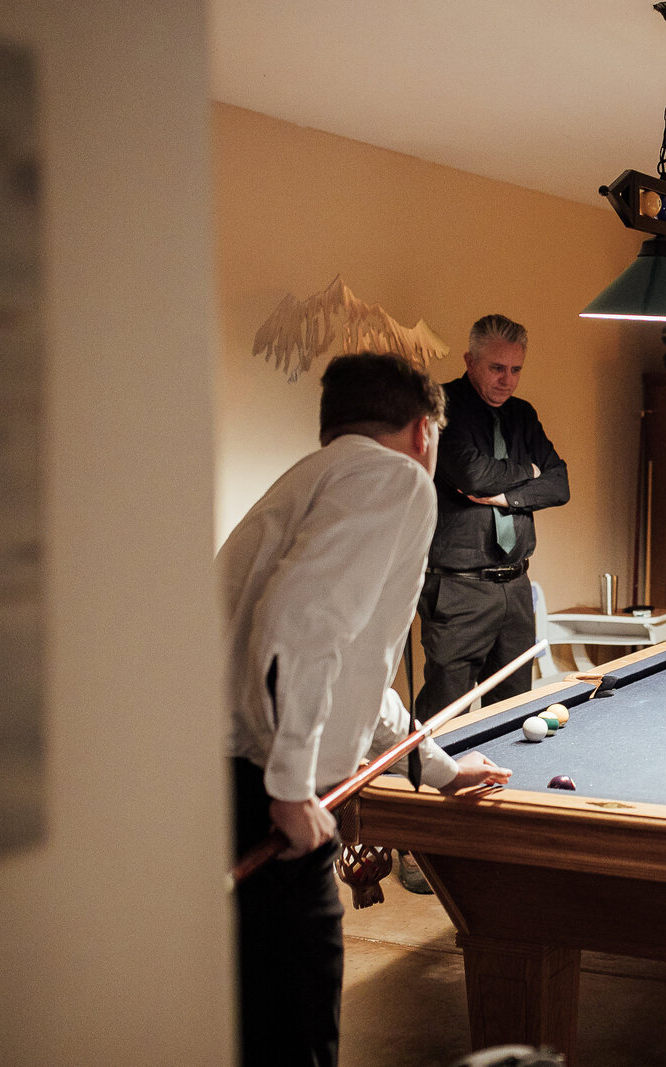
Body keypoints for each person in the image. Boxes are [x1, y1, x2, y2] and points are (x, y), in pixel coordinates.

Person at [224, 352, 513, 1066]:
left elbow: (350, 667)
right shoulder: (397, 481)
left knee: (261, 1020)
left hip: (226, 780)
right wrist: (290, 790)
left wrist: (438, 767)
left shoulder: (317, 478)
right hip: (256, 791)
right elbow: (302, 627)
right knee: (294, 1029)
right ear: (424, 432)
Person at [415, 314, 569, 720]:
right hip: (458, 588)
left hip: (517, 586)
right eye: (496, 368)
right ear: (470, 361)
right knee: (445, 718)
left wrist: (502, 497)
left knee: (515, 715)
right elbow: (472, 476)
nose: (508, 380)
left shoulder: (522, 415)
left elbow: (560, 484)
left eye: (516, 369)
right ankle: (428, 784)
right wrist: (527, 472)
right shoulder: (440, 406)